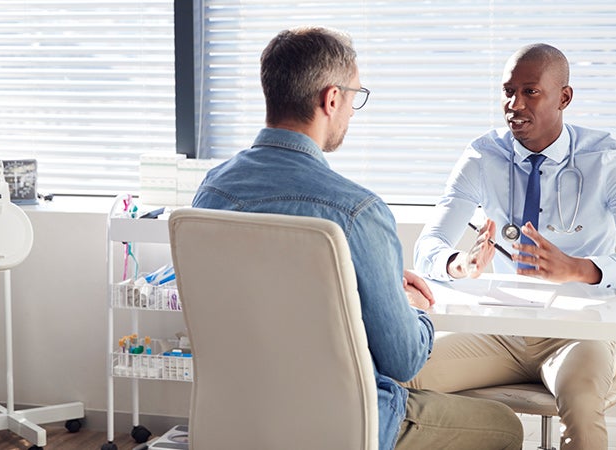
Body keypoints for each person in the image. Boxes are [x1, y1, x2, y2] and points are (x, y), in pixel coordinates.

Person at [192, 26, 523, 450]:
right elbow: (403, 360)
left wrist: (368, 279)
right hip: (349, 423)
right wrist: (411, 304)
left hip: (239, 417)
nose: (352, 110)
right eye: (354, 96)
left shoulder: (212, 192)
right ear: (331, 98)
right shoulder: (357, 212)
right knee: (504, 426)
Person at [413, 43, 616, 450]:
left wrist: (578, 268)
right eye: (507, 91)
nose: (514, 104)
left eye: (530, 91)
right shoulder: (482, 154)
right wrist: (456, 263)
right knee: (394, 378)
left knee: (583, 414)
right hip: (500, 332)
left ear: (564, 97)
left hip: (580, 332)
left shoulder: (607, 159)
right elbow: (428, 246)